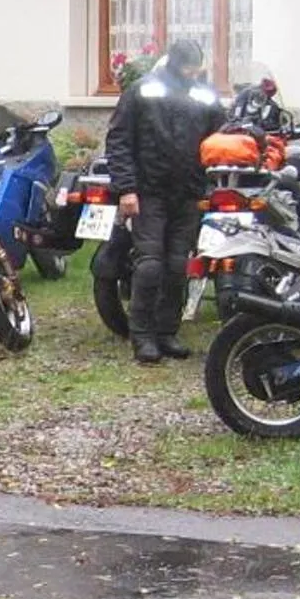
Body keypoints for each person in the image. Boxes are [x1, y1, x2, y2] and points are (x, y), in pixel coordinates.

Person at [104, 36, 225, 364]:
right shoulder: (143, 90)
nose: (192, 72)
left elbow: (221, 135)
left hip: (189, 192)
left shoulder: (204, 94)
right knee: (150, 264)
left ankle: (167, 331)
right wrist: (127, 189)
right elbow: (119, 140)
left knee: (176, 265)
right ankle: (142, 336)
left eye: (196, 68)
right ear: (175, 62)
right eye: (188, 67)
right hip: (149, 191)